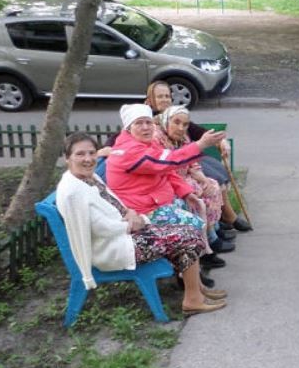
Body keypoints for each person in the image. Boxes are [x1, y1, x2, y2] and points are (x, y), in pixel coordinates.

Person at [56, 132, 227, 316]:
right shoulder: (73, 192)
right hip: (113, 249)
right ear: (67, 158)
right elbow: (97, 229)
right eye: (80, 154)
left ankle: (197, 290)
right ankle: (193, 300)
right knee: (187, 236)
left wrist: (129, 212)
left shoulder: (88, 178)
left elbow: (113, 201)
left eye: (91, 153)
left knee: (187, 229)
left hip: (124, 235)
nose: (88, 159)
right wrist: (136, 222)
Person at [106, 104, 234, 270]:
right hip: (141, 211)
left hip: (155, 201)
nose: (145, 127)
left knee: (195, 205)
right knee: (192, 225)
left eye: (148, 122)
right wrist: (200, 145)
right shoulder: (131, 151)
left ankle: (196, 262)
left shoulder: (146, 143)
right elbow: (169, 160)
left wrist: (186, 193)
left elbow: (167, 171)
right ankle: (189, 276)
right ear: (129, 127)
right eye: (139, 123)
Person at [144, 81, 252, 232]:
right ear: (150, 100)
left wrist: (221, 141)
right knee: (214, 180)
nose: (165, 100)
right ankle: (228, 217)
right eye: (160, 96)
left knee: (220, 171)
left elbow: (197, 131)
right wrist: (109, 146)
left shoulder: (177, 113)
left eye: (167, 96)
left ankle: (218, 217)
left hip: (192, 158)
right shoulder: (146, 121)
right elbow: (123, 136)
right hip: (178, 164)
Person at [154, 105, 226, 252]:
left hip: (185, 176)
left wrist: (203, 179)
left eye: (185, 124)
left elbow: (193, 162)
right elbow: (166, 168)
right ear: (166, 121)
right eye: (176, 122)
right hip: (169, 180)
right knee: (198, 195)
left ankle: (213, 231)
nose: (181, 128)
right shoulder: (157, 139)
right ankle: (207, 240)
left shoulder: (184, 137)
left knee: (211, 185)